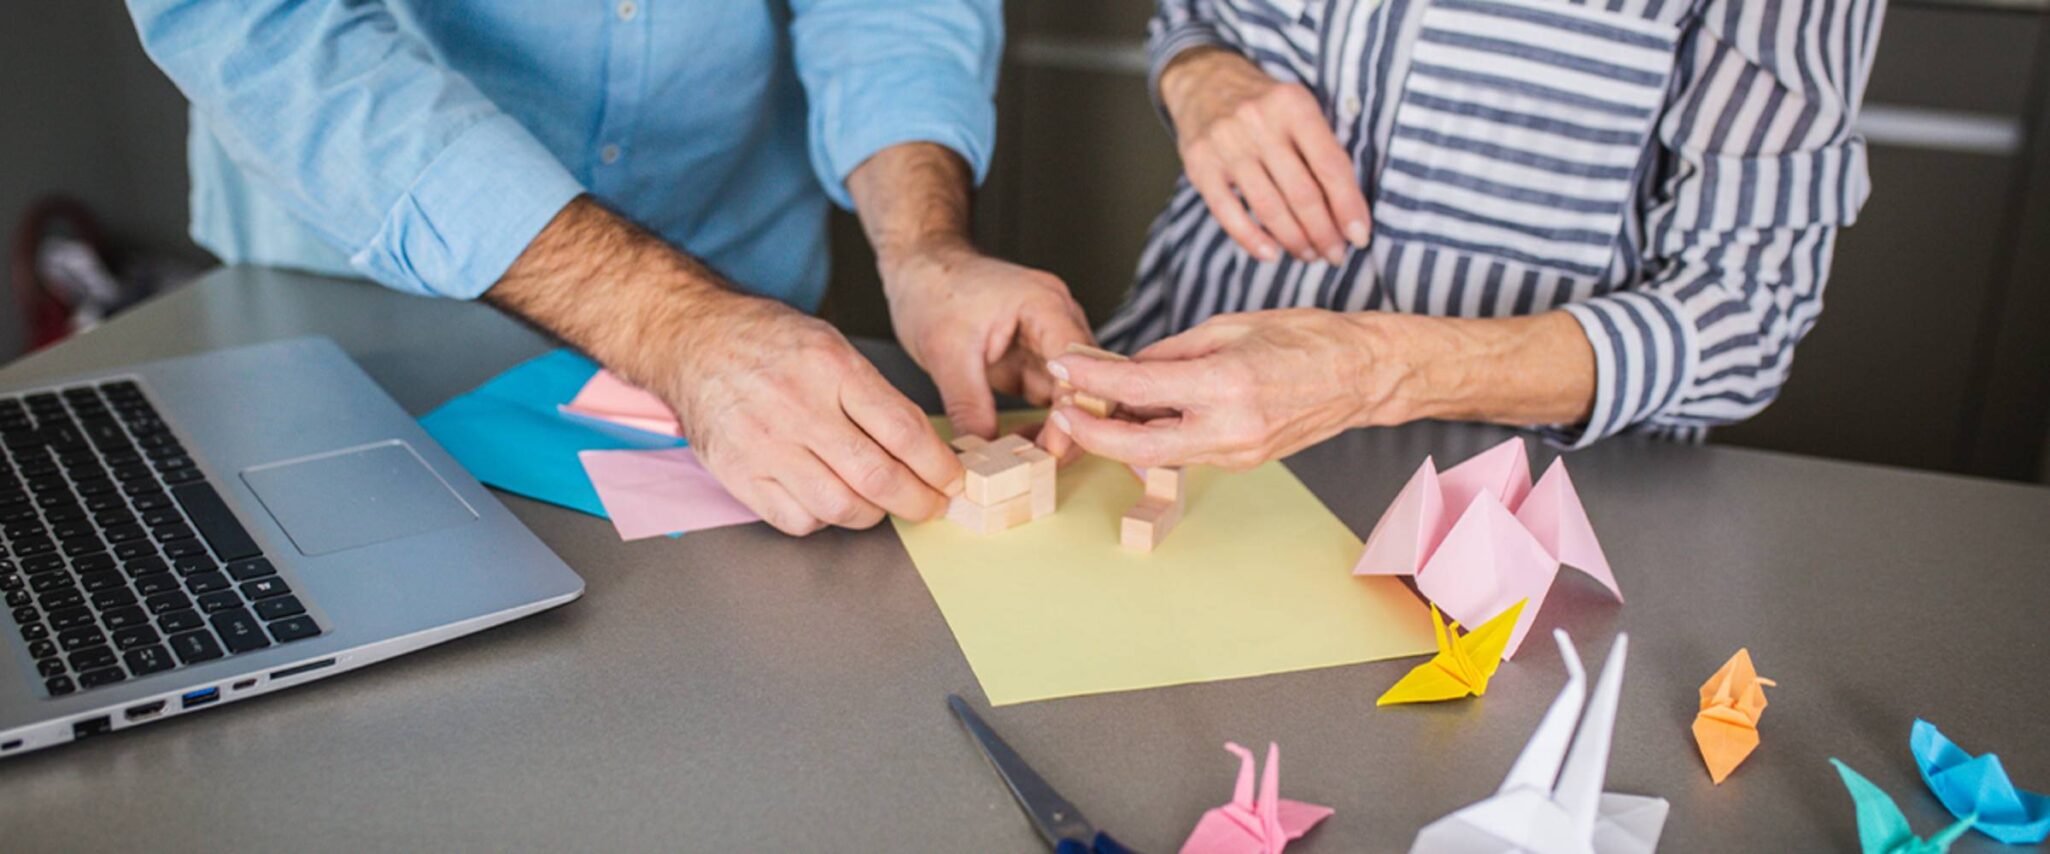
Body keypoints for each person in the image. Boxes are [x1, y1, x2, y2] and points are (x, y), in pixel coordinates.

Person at [123, 1, 1096, 536]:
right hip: (358, 292)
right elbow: (256, 28)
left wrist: (924, 244)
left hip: (742, 298)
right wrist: (673, 325)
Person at [1048, 0, 1882, 470]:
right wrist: (1199, 72)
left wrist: (1371, 371)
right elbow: (1193, 17)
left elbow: (1746, 316)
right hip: (1163, 422)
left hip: (1506, 511)